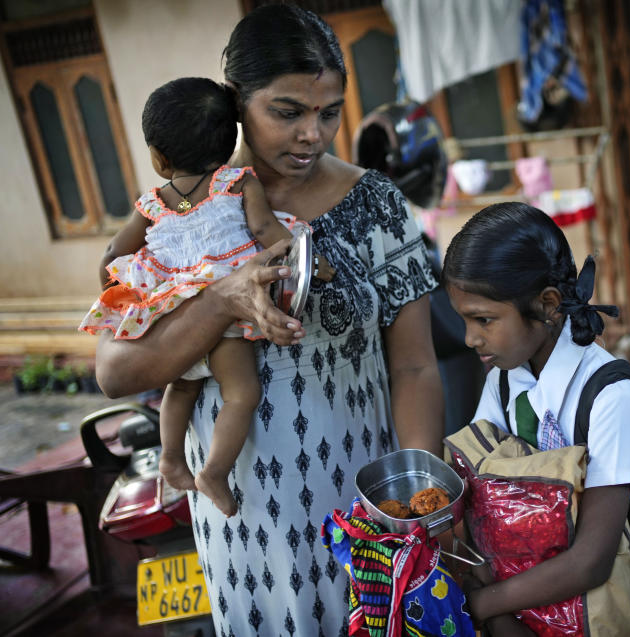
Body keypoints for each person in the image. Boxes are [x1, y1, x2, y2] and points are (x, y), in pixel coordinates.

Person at [92, 5, 444, 635]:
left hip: (364, 500)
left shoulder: (379, 206)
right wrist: (223, 299)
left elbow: (415, 365)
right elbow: (117, 374)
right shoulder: (177, 224)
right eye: (288, 112)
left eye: (329, 112)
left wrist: (414, 502)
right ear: (235, 103)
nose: (313, 134)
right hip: (243, 517)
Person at [80, 77, 329, 518]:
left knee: (181, 384)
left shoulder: (152, 204)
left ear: (158, 156)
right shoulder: (237, 182)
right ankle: (214, 470)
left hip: (180, 315)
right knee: (242, 394)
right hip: (230, 317)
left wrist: (113, 286)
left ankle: (171, 456)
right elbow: (266, 232)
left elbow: (114, 253)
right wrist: (312, 261)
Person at [442, 202, 630, 636]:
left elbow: (591, 562)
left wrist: (482, 604)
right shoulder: (503, 380)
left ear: (549, 305)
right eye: (464, 320)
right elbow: (480, 486)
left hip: (610, 608)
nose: (469, 338)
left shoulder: (610, 399)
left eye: (484, 319)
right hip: (528, 600)